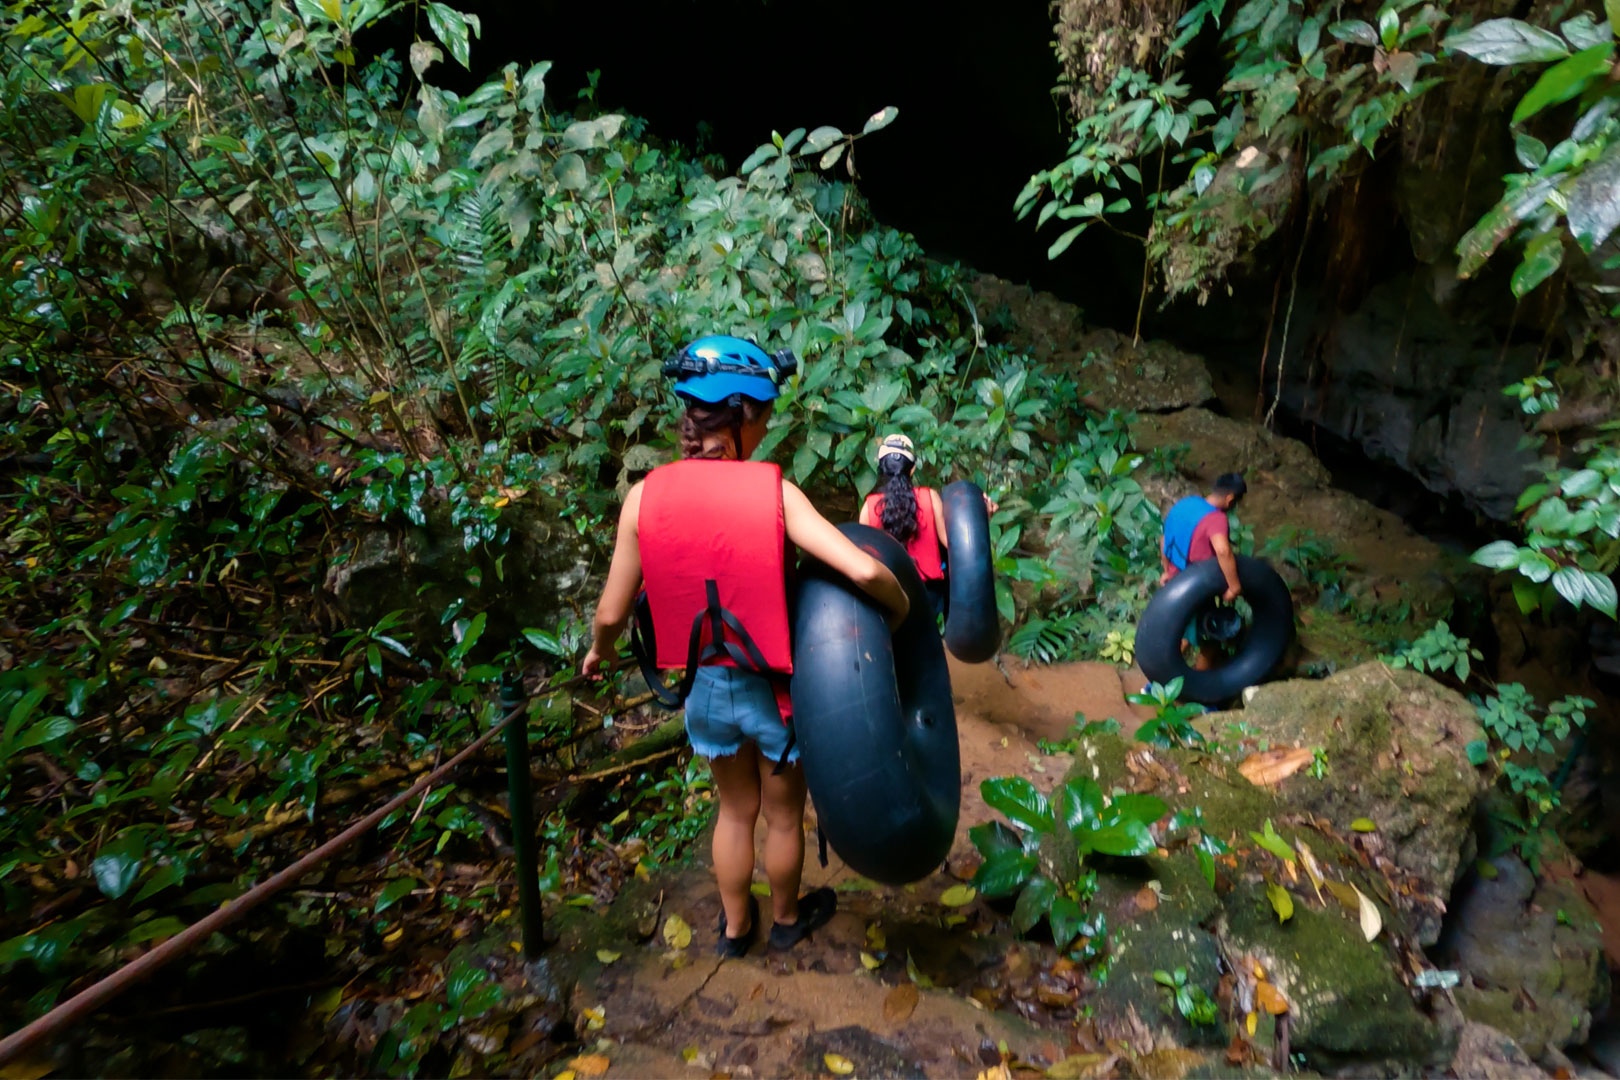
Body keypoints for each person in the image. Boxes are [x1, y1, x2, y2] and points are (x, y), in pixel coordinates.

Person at [582, 335, 910, 958]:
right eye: (763, 416)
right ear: (744, 416)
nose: (766, 428)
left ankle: (735, 929)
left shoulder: (643, 498)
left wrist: (600, 652)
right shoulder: (776, 495)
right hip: (775, 694)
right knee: (783, 815)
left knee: (735, 812)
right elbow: (864, 572)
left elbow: (610, 612)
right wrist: (902, 612)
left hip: (704, 690)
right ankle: (785, 919)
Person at [858, 434, 997, 618]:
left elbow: (864, 560)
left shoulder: (869, 507)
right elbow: (953, 544)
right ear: (913, 469)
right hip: (928, 595)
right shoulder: (929, 497)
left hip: (888, 593)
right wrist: (980, 515)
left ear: (881, 469)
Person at [1158, 472, 1247, 670]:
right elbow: (1223, 551)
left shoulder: (1187, 503)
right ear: (1230, 499)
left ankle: (1162, 674)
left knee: (1183, 628)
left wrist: (1166, 570)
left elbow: (1164, 540)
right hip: (1195, 590)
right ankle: (1197, 693)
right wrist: (1234, 586)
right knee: (1210, 644)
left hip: (1175, 581)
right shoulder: (1216, 519)